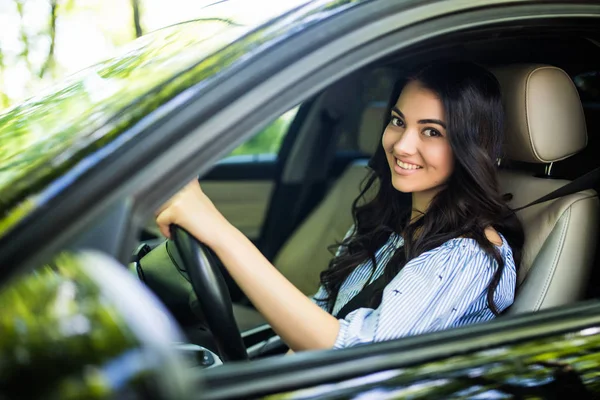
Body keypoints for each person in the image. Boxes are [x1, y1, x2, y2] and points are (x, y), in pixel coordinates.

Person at [155, 61, 524, 351]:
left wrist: (217, 230)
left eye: (432, 131)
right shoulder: (391, 222)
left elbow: (353, 356)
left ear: (470, 147)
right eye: (398, 121)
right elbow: (321, 313)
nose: (402, 145)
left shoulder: (470, 254)